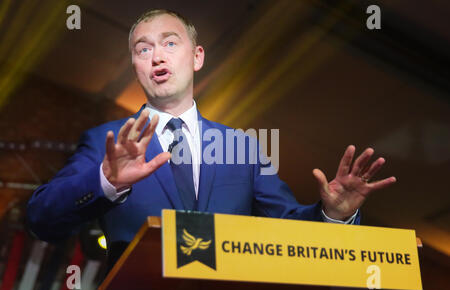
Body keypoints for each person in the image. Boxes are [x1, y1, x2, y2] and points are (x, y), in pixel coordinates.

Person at [26, 9, 396, 270]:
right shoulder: (105, 142)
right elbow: (42, 219)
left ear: (197, 57)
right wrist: (106, 182)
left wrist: (334, 214)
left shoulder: (242, 147)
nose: (156, 57)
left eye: (170, 43)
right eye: (143, 49)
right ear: (135, 66)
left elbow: (288, 228)